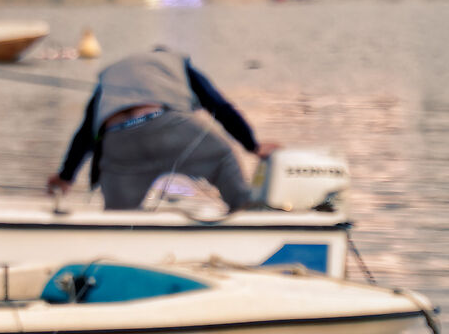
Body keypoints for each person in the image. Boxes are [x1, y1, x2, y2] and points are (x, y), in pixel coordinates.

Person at [48, 44, 277, 212]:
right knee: (221, 157)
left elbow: (87, 132)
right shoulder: (177, 63)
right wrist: (252, 145)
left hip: (118, 140)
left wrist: (66, 176)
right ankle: (244, 213)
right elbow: (219, 106)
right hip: (164, 124)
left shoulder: (113, 72)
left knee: (119, 218)